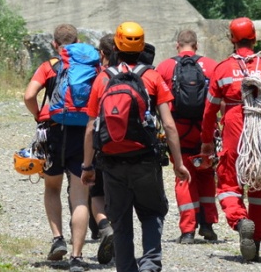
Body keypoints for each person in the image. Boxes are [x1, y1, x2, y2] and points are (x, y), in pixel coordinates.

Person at [82, 21, 191, 272]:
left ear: (117, 46)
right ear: (142, 46)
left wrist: (88, 166)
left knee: (120, 221)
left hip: (111, 161)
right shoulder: (152, 77)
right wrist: (178, 163)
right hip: (145, 160)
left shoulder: (102, 79)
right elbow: (169, 125)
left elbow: (90, 128)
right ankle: (150, 264)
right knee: (152, 212)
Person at [200, 17, 261, 261]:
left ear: (231, 39)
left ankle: (240, 222)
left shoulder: (222, 70)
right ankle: (256, 241)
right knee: (260, 188)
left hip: (233, 130)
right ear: (254, 38)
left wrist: (206, 141)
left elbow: (209, 111)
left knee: (229, 185)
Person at [23, 24, 95, 272]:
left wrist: (38, 116)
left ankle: (57, 239)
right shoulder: (90, 66)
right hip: (82, 134)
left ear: (55, 43)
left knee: (52, 188)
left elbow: (29, 96)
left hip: (54, 132)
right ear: (77, 42)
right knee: (80, 197)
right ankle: (76, 256)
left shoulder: (49, 66)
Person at [156, 30, 219, 244]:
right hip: (205, 132)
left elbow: (156, 100)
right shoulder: (211, 65)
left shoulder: (165, 67)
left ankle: (188, 231)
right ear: (196, 45)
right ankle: (208, 224)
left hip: (179, 131)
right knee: (206, 175)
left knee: (184, 177)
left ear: (177, 46)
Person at [88, 34, 115, 265]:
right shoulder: (138, 74)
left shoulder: (101, 78)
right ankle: (120, 230)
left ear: (102, 54)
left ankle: (105, 227)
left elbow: (91, 121)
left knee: (96, 193)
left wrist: (87, 162)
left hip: (101, 144)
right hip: (132, 148)